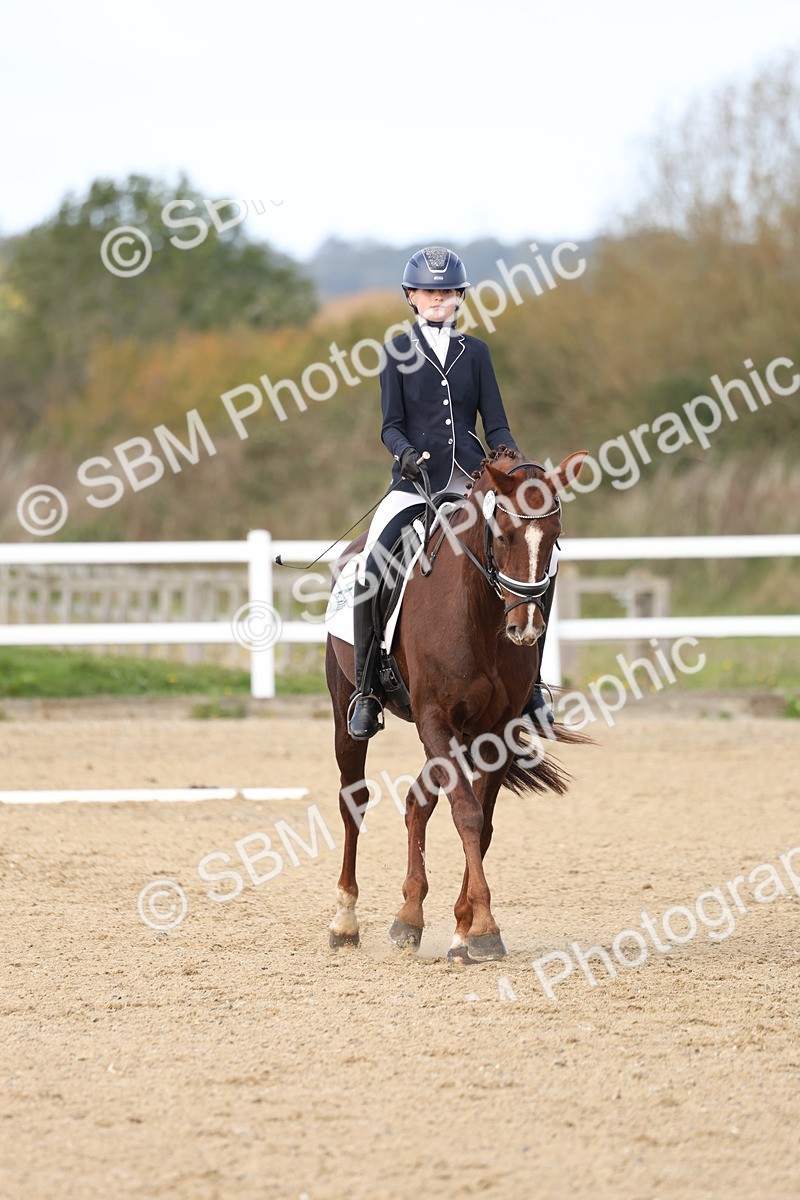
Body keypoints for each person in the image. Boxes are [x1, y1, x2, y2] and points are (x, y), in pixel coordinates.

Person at [348, 245, 556, 740]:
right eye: (428, 292)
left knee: (536, 563)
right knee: (373, 566)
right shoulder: (396, 351)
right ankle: (367, 689)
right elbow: (390, 424)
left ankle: (530, 686)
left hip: (472, 485)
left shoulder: (476, 353)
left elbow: (496, 423)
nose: (438, 299)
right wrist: (404, 453)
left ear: (460, 296)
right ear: (411, 296)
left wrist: (511, 461)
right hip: (414, 485)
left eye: (446, 292)